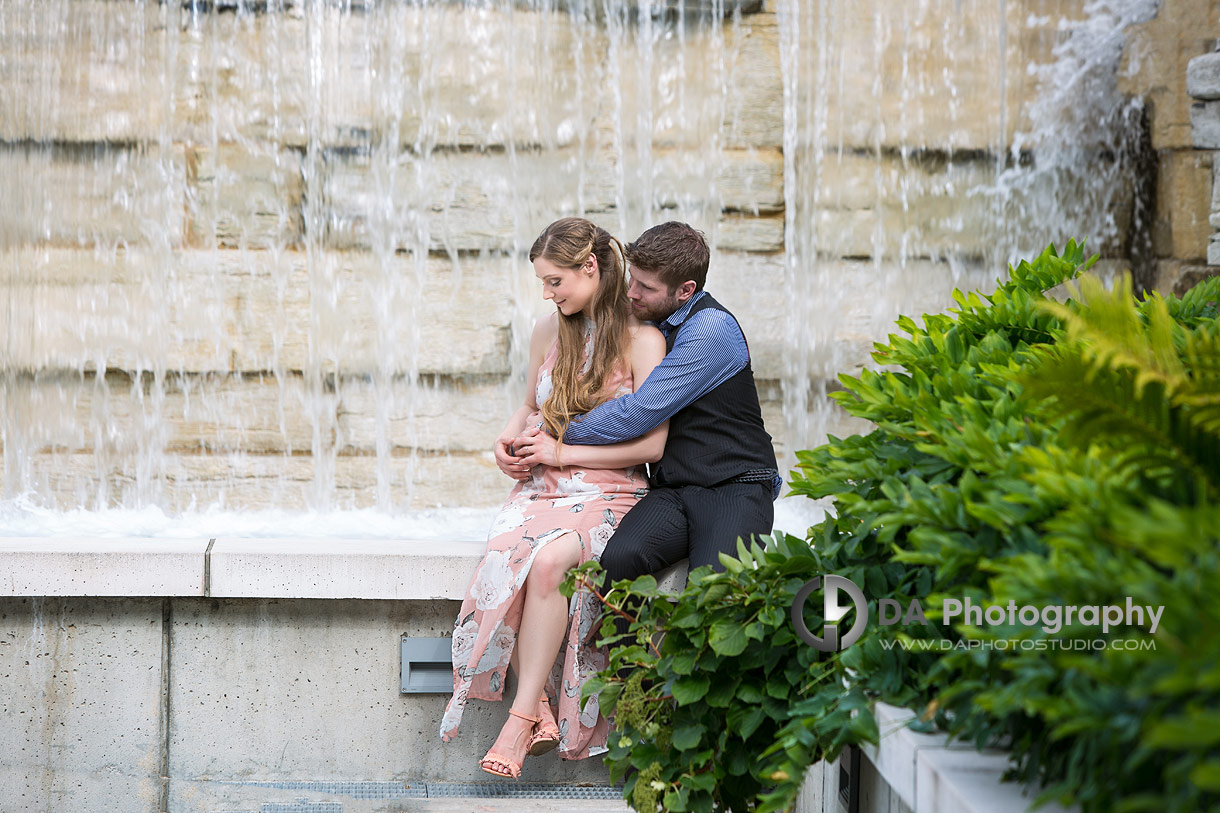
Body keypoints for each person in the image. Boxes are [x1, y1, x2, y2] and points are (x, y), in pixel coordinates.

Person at [439, 217, 668, 779]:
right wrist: (507, 441)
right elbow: (528, 407)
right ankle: (538, 708)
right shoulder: (549, 330)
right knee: (509, 559)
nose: (548, 293)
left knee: (548, 560)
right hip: (540, 486)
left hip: (609, 492)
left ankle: (518, 722)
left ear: (590, 268)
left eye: (555, 281)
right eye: (544, 283)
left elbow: (654, 445)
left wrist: (559, 455)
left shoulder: (643, 340)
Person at [508, 221, 779, 585]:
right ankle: (618, 645)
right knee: (618, 561)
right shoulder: (655, 319)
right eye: (632, 279)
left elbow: (637, 413)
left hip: (733, 486)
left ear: (686, 290)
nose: (631, 293)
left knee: (715, 590)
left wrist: (553, 427)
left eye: (646, 288)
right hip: (673, 490)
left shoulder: (710, 330)